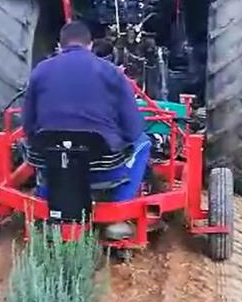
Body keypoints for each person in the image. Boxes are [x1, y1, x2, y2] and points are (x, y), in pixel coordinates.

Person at [22, 21, 149, 239]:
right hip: (101, 162)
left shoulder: (40, 71)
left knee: (42, 151)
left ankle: (45, 205)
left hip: (55, 161)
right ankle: (117, 213)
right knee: (144, 142)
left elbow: (28, 127)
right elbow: (132, 129)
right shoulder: (111, 72)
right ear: (90, 45)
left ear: (60, 46)